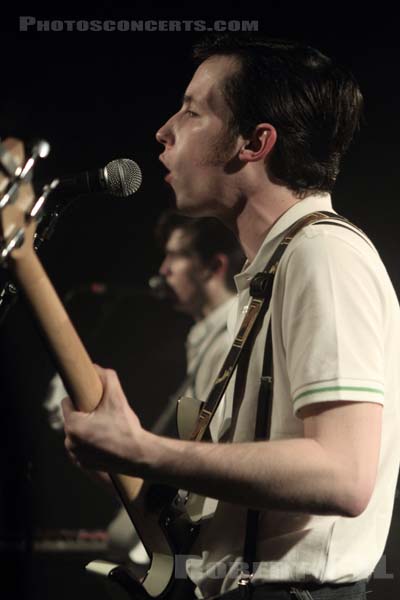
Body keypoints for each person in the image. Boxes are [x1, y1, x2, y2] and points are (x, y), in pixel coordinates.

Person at [62, 34, 400, 600]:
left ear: (254, 142)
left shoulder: (323, 254)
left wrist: (141, 448)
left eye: (192, 111)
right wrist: (126, 458)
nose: (164, 130)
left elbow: (344, 476)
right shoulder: (276, 268)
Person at [106, 211, 244, 563]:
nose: (164, 268)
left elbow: (218, 453)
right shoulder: (206, 336)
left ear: (214, 267)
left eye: (177, 255)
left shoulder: (230, 336)